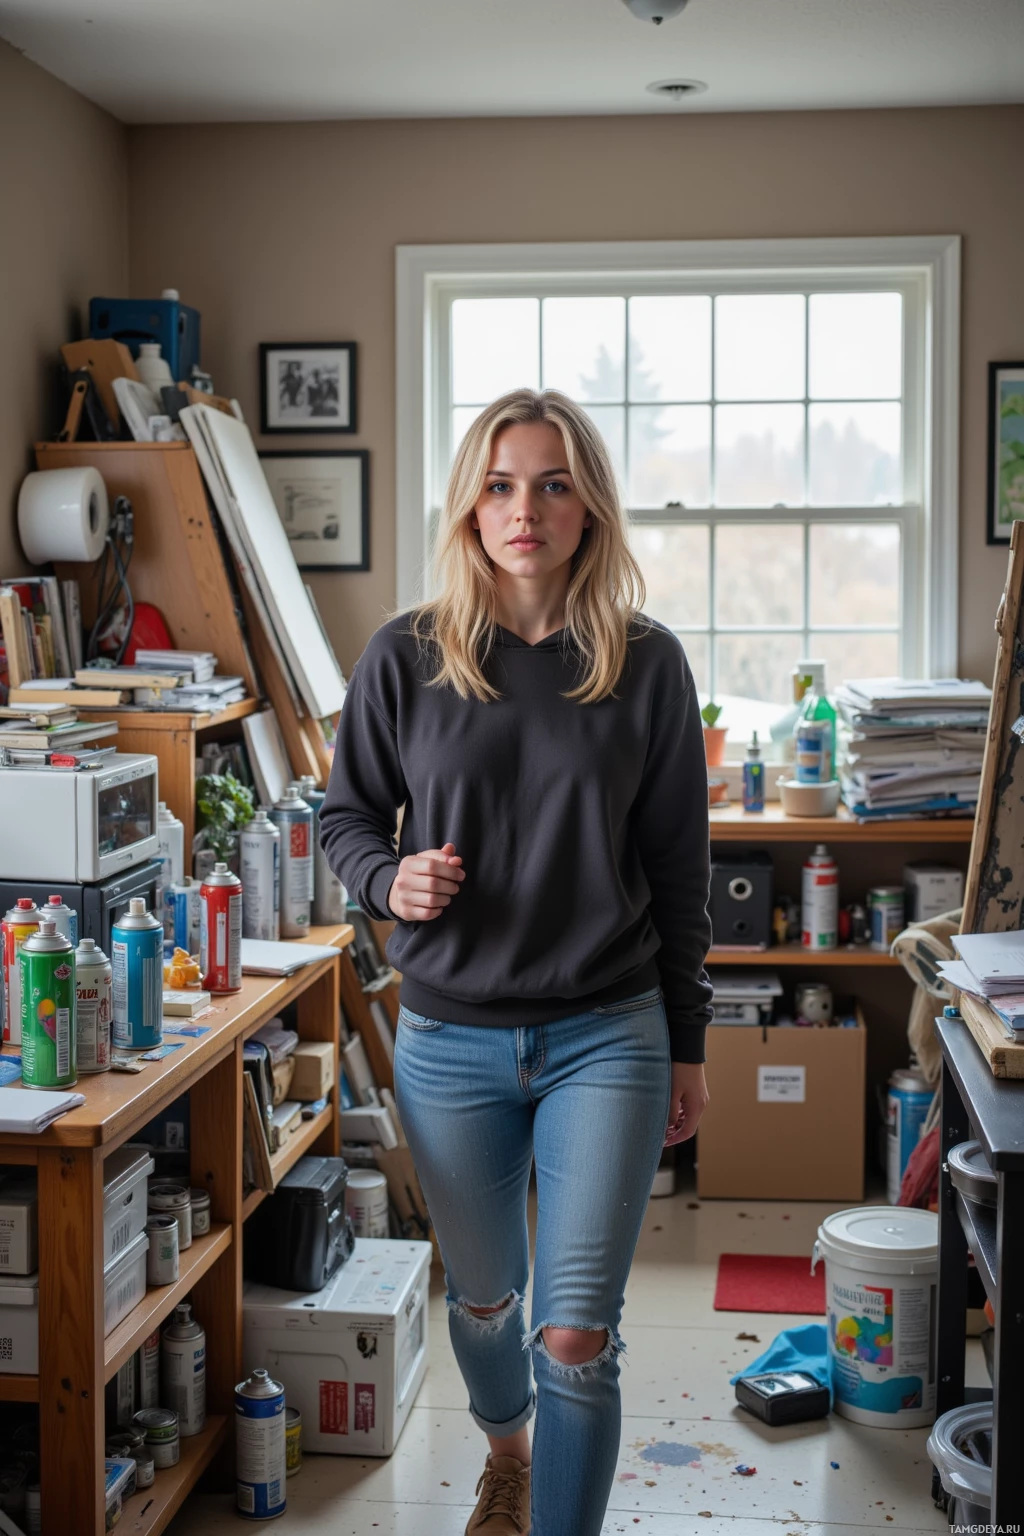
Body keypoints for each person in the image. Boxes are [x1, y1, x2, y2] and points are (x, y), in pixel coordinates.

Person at [319, 387, 713, 1536]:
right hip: (448, 1042)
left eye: (549, 483)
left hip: (610, 1031)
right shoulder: (405, 657)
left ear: (587, 505)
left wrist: (688, 1043)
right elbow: (346, 817)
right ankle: (508, 1456)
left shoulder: (645, 664)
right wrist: (389, 882)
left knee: (576, 1336)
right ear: (468, 504)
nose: (522, 508)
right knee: (488, 1306)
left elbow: (679, 872)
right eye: (499, 483)